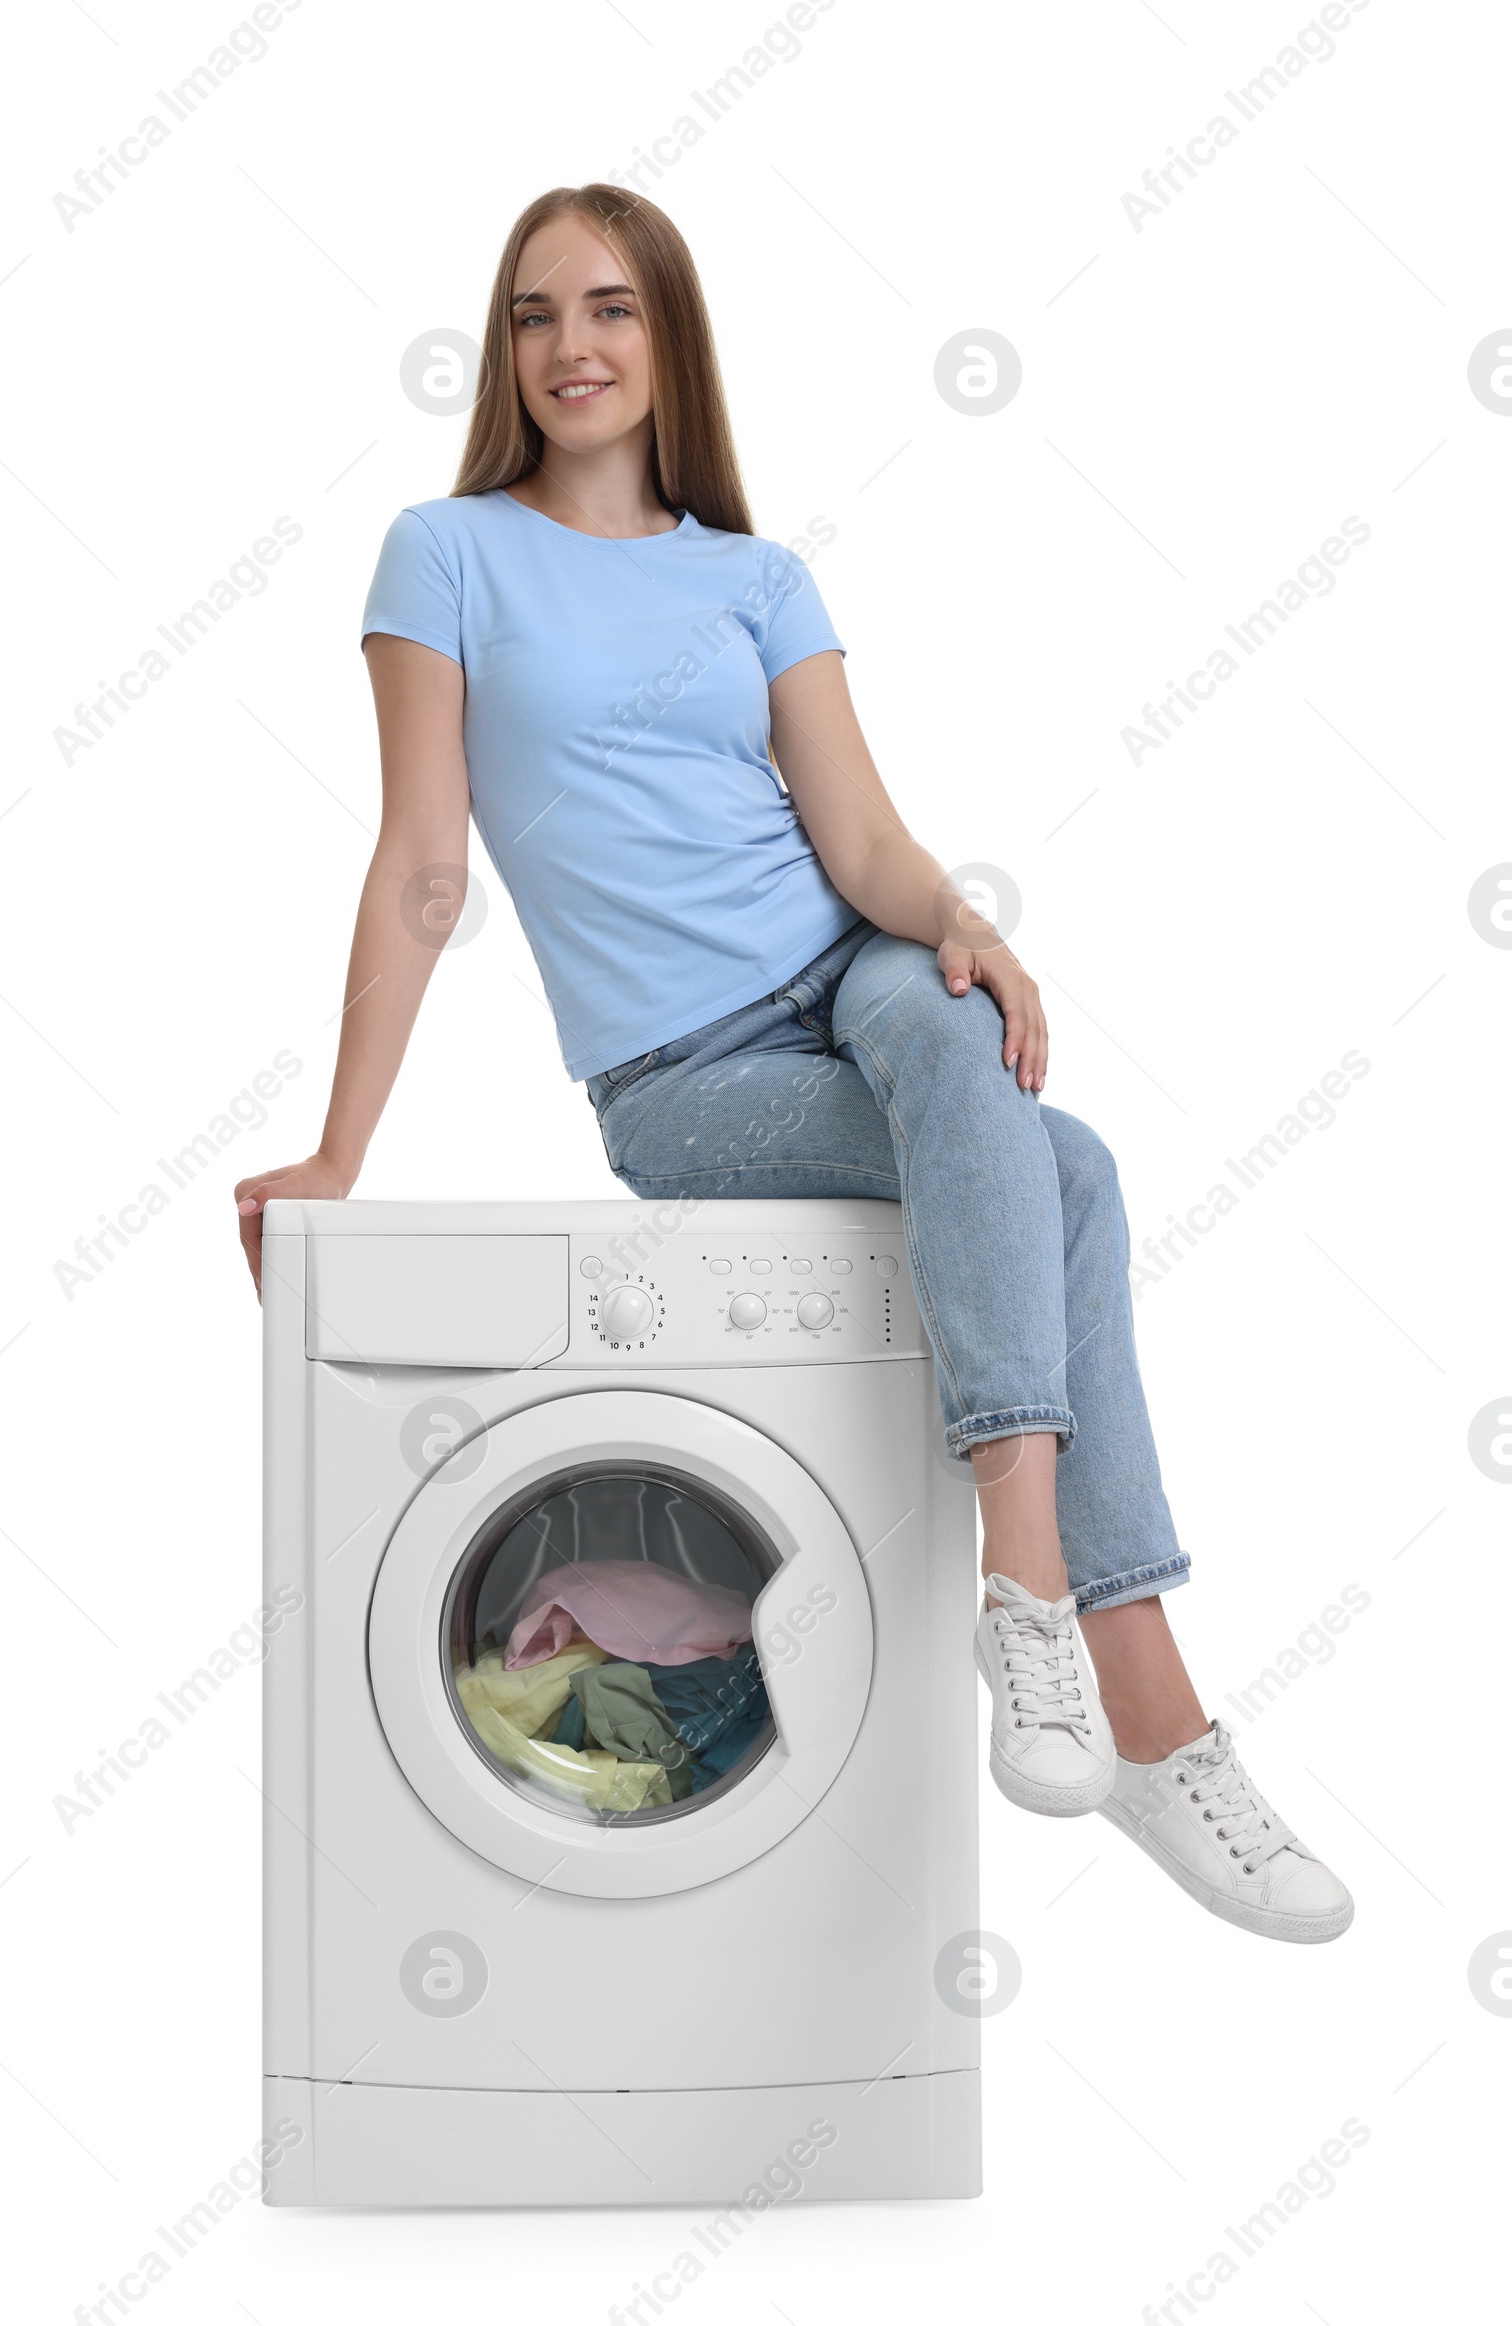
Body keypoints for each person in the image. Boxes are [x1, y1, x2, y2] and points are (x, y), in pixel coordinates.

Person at [235, 182, 1352, 1945]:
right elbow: (425, 866)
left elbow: (862, 839)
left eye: (608, 309)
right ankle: (1149, 1711)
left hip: (862, 968)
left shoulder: (758, 574)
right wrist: (335, 1153)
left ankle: (1035, 1612)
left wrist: (969, 924)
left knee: (964, 1045)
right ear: (504, 351)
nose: (569, 348)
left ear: (668, 336)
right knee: (1067, 1173)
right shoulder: (442, 554)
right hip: (681, 1072)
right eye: (533, 316)